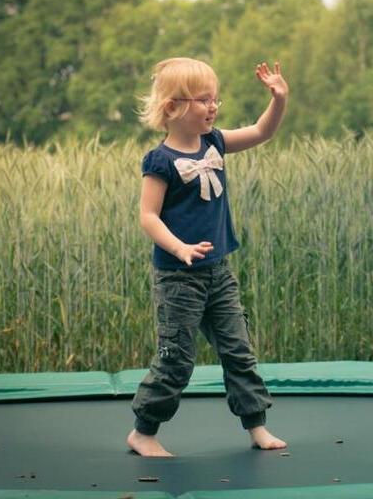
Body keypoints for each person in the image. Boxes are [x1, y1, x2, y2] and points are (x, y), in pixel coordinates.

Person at [126, 57, 288, 457]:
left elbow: (261, 131)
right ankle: (143, 432)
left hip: (218, 272)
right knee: (177, 358)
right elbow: (147, 216)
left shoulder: (214, 141)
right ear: (173, 108)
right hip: (178, 278)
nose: (213, 107)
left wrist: (279, 98)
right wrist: (178, 246)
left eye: (215, 99)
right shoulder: (160, 161)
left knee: (238, 350)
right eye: (202, 100)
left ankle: (257, 426)